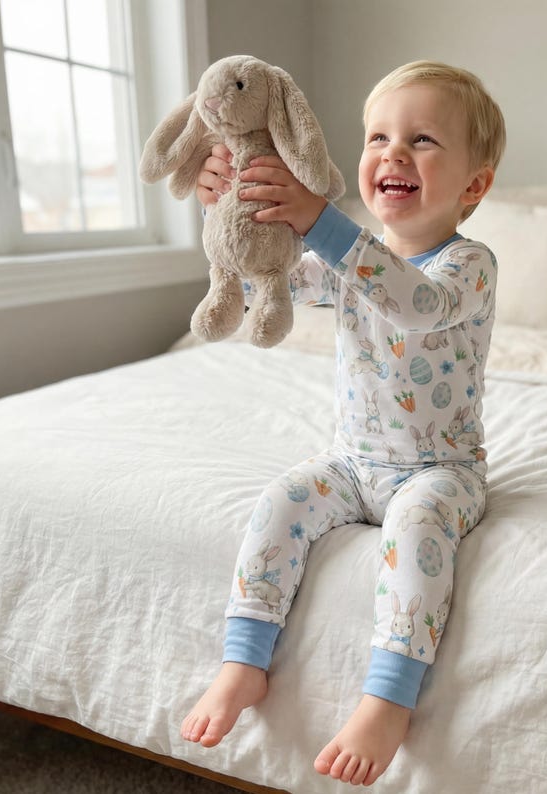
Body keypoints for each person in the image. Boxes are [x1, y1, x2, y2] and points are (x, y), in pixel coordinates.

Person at [180, 60, 506, 787]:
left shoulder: (468, 266)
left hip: (439, 471)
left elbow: (412, 304)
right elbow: (278, 269)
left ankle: (387, 697)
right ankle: (244, 659)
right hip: (353, 465)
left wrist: (322, 223)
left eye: (421, 140)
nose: (392, 153)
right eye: (378, 137)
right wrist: (232, 201)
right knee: (280, 501)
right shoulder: (352, 258)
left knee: (418, 532)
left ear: (474, 186)